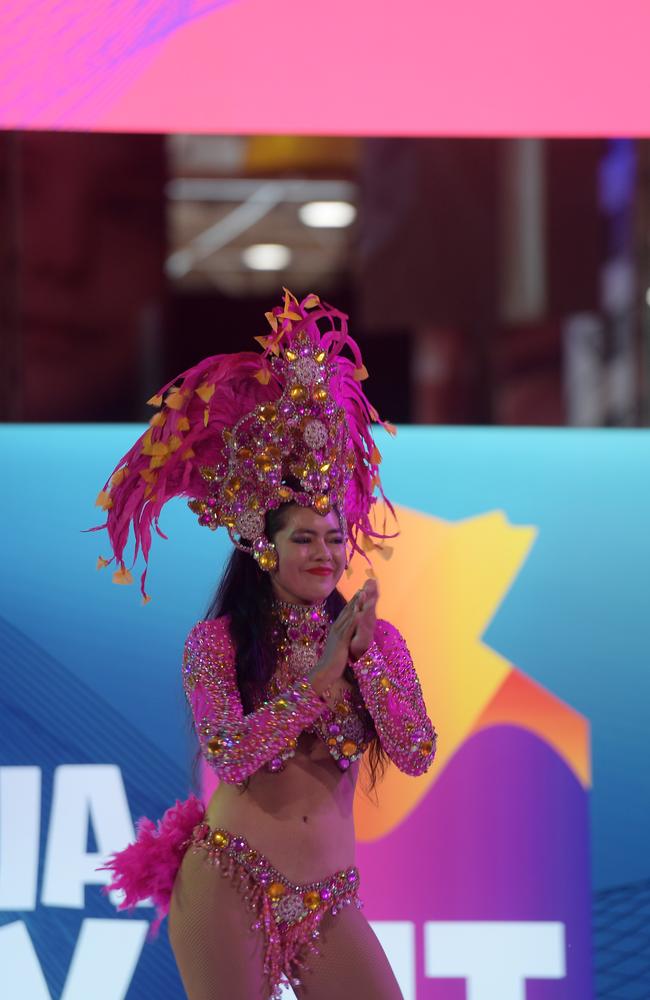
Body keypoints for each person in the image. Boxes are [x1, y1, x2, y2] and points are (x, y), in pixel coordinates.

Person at [97, 291, 437, 999]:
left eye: (335, 537)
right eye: (304, 538)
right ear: (264, 548)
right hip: (230, 876)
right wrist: (321, 677)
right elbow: (231, 753)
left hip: (331, 897)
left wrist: (365, 661)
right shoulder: (215, 643)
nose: (325, 552)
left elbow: (415, 750)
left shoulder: (376, 643)